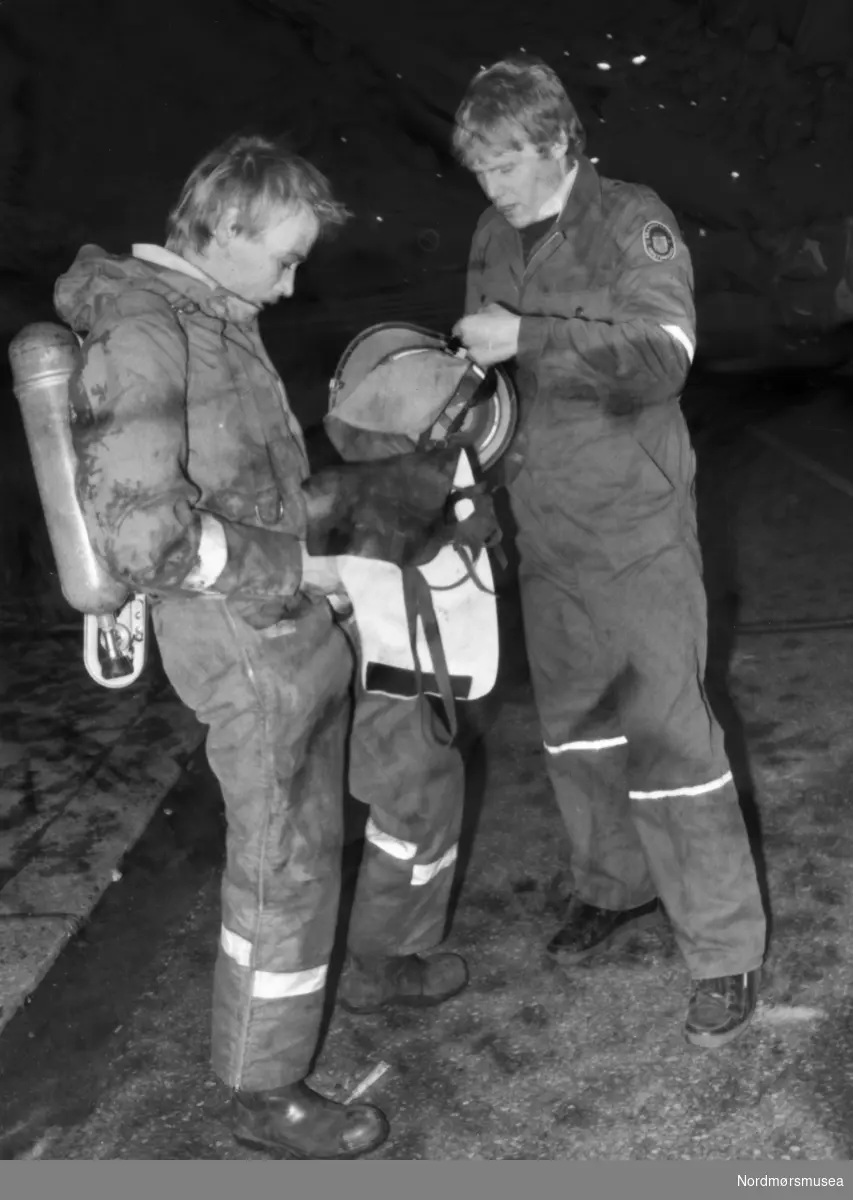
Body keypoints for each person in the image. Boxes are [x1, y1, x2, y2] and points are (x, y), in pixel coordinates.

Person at [53, 133, 468, 1159]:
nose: (289, 287)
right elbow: (143, 535)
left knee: (412, 759)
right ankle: (263, 1087)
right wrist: (299, 571)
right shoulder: (147, 329)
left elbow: (250, 489)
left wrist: (370, 497)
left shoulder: (212, 318)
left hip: (289, 610)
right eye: (281, 259)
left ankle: (386, 957)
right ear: (226, 226)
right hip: (239, 634)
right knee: (286, 855)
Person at [450, 56, 767, 1049]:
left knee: (670, 735)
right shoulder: (491, 234)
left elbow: (663, 354)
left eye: (503, 164)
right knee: (578, 729)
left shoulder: (633, 220)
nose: (489, 185)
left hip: (633, 529)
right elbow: (490, 378)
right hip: (540, 526)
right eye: (478, 169)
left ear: (556, 143)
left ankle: (724, 952)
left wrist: (526, 338)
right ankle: (615, 886)